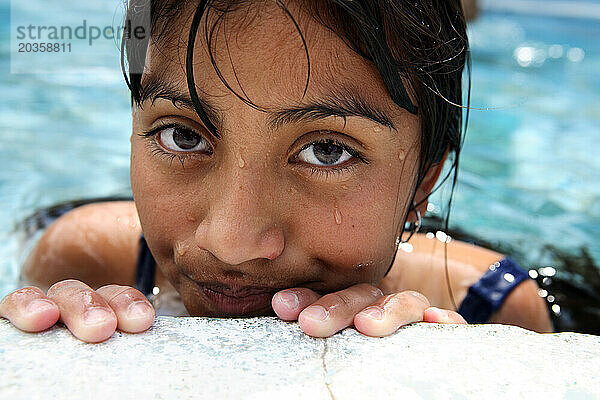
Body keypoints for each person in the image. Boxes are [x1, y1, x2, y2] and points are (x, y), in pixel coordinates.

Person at [0, 0, 553, 343]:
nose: (231, 242)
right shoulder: (86, 260)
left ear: (423, 185)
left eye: (328, 152)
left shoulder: (493, 306)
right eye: (183, 136)